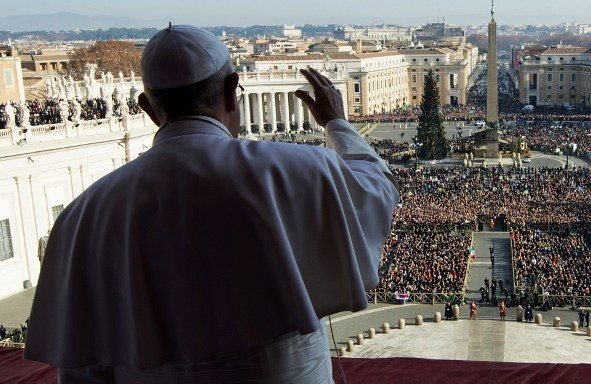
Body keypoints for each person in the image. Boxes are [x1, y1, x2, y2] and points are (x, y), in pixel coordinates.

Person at [25, 25, 399, 383]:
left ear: (148, 108)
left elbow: (82, 364)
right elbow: (377, 189)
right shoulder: (302, 169)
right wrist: (337, 123)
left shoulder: (82, 217)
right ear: (232, 90)